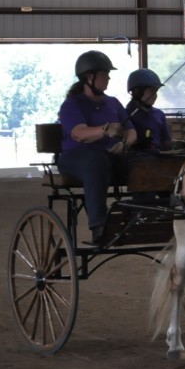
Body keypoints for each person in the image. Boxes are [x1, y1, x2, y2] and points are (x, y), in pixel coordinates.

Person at [57, 50, 136, 245]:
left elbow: (131, 131)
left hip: (110, 155)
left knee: (145, 162)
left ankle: (144, 214)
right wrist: (105, 130)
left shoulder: (113, 103)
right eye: (104, 74)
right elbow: (79, 134)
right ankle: (99, 225)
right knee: (96, 162)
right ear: (89, 77)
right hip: (76, 157)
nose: (108, 78)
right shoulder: (72, 105)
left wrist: (123, 143)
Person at [125, 68, 172, 153]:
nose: (155, 95)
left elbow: (166, 143)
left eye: (156, 91)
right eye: (151, 90)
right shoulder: (126, 114)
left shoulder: (159, 114)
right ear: (138, 92)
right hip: (134, 160)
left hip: (157, 158)